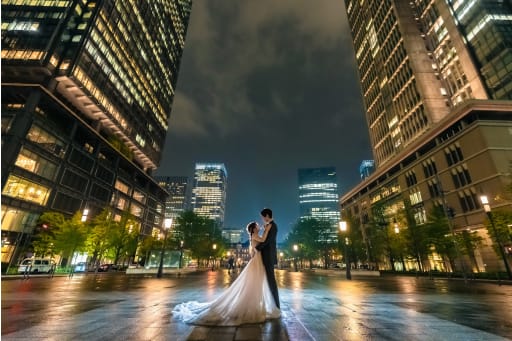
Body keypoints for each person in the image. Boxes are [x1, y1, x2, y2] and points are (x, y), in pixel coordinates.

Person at [172, 221, 281, 326]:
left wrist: (265, 230)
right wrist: (267, 229)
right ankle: (252, 304)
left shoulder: (254, 235)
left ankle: (255, 303)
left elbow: (260, 242)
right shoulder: (255, 236)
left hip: (257, 261)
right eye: (257, 225)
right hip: (257, 261)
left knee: (254, 283)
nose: (258, 226)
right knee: (253, 283)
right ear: (253, 228)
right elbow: (263, 239)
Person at [255, 208, 280, 309]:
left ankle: (276, 306)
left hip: (268, 256)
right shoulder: (270, 225)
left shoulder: (272, 226)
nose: (262, 219)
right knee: (269, 280)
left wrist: (257, 248)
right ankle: (273, 304)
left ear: (267, 216)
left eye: (262, 217)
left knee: (271, 281)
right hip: (267, 255)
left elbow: (268, 241)